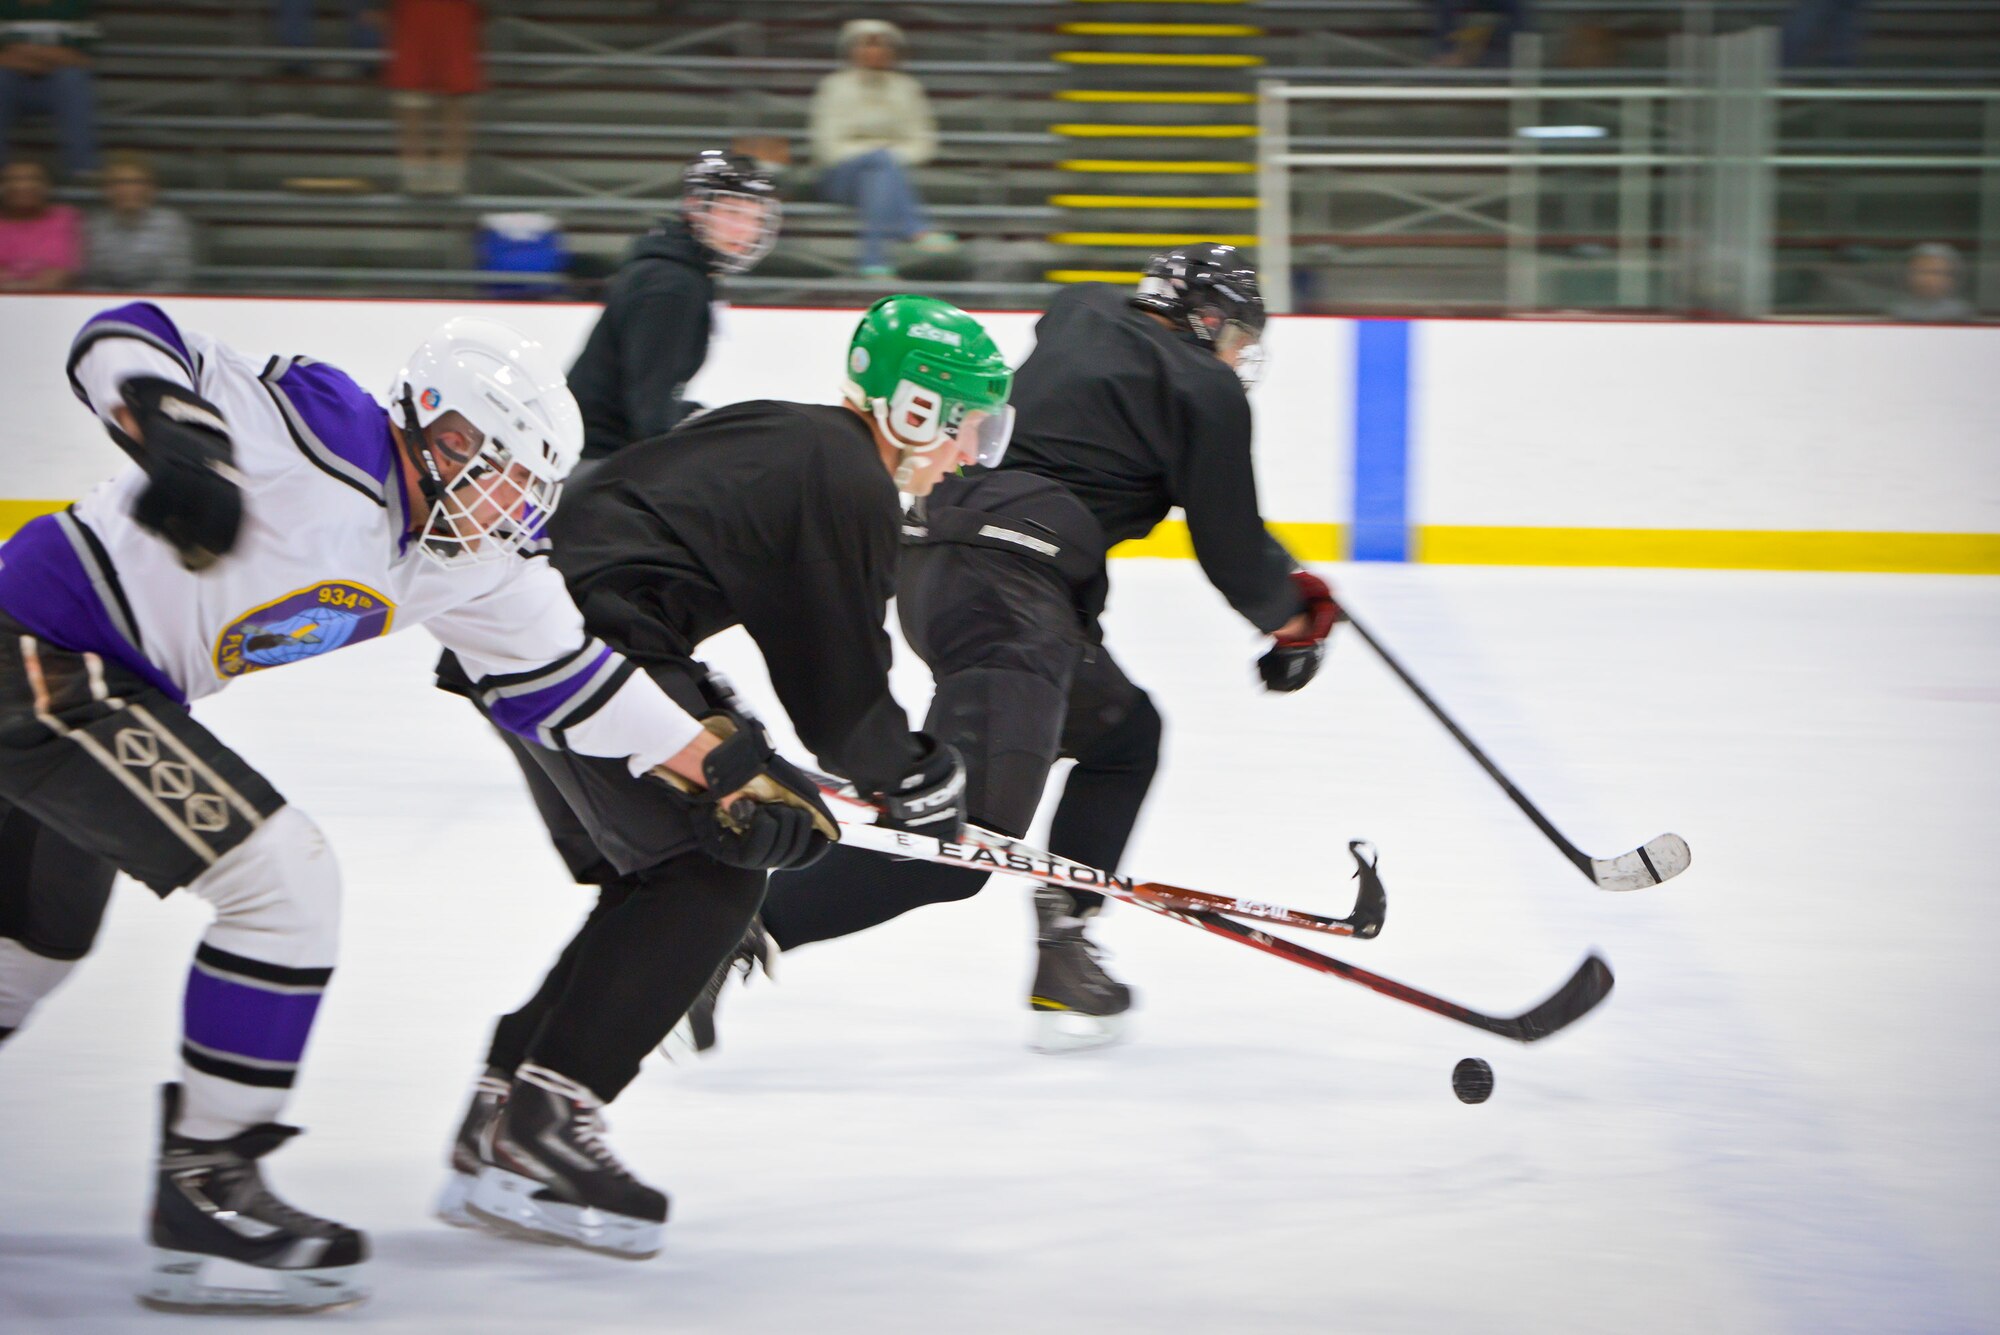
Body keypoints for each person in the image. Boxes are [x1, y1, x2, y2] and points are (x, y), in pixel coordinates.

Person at [0, 304, 828, 1313]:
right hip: (42, 660)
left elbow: (575, 682)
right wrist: (172, 428)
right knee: (282, 880)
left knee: (32, 948)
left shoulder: (464, 558)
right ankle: (206, 1183)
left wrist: (730, 773)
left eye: (535, 487)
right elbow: (123, 331)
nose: (518, 509)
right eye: (507, 476)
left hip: (91, 680)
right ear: (442, 434)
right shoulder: (319, 430)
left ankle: (204, 1179)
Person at [434, 294, 1008, 1259]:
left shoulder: (801, 439)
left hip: (530, 631)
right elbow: (840, 695)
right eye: (970, 427)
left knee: (660, 876)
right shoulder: (848, 477)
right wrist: (918, 775)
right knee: (717, 865)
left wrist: (832, 764)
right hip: (582, 642)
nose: (968, 455)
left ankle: (504, 1104)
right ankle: (547, 1118)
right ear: (915, 409)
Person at [740, 246, 1340, 1053]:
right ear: (1207, 321)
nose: (1238, 358)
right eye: (1235, 338)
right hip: (1009, 593)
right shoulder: (1205, 387)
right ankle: (719, 936)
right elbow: (1229, 544)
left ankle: (1064, 947)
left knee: (1123, 734)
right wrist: (1292, 619)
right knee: (954, 846)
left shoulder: (1085, 310)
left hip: (939, 564)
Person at [566, 149, 781, 460]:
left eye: (754, 217)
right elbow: (649, 411)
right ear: (695, 207)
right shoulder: (673, 286)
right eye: (733, 213)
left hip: (601, 449)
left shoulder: (678, 272)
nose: (744, 230)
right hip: (599, 460)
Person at [808, 19, 954, 277]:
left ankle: (872, 260)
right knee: (879, 164)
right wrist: (874, 154)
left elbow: (923, 142)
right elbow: (827, 146)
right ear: (853, 51)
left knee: (878, 176)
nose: (874, 52)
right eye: (866, 46)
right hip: (840, 176)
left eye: (880, 46)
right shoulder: (834, 87)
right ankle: (915, 229)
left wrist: (882, 156)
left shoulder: (908, 89)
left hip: (887, 173)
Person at [381, 0, 482, 196]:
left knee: (457, 96)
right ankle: (413, 171)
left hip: (455, 22)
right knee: (410, 96)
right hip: (413, 20)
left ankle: (452, 172)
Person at [0, 0, 98, 179]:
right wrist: (53, 56)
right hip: (11, 84)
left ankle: (82, 172)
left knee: (72, 79)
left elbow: (83, 59)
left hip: (58, 85)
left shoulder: (77, 6)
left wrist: (24, 50)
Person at [83, 149, 195, 292]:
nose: (129, 189)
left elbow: (176, 279)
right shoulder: (94, 226)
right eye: (120, 183)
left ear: (152, 189)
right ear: (107, 189)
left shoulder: (172, 225)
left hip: (159, 305)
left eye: (137, 182)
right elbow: (92, 279)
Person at [0, 155, 77, 289]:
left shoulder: (66, 218)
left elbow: (61, 274)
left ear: (47, 186)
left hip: (55, 302)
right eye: (13, 179)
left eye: (33, 179)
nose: (22, 186)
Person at [1887, 242, 1975, 323]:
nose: (1929, 279)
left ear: (1952, 278)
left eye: (1937, 272)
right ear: (1907, 275)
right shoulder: (1896, 312)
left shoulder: (1963, 313)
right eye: (1922, 272)